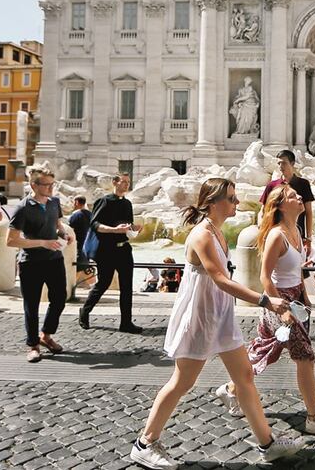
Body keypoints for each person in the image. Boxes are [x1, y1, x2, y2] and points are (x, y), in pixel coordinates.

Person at [128, 178, 304, 468]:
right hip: (199, 316)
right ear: (213, 202)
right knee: (182, 381)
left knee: (244, 376)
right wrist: (265, 300)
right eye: (232, 199)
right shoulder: (202, 235)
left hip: (220, 314)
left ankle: (267, 443)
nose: (236, 203)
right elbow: (220, 280)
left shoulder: (218, 232)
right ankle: (145, 443)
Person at [216, 185, 315, 436]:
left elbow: (296, 270)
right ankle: (314, 417)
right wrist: (281, 309)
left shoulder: (296, 230)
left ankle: (231, 390)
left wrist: (305, 296)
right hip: (279, 302)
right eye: (292, 196)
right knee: (305, 357)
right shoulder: (277, 235)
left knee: (267, 349)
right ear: (279, 205)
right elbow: (265, 278)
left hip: (296, 299)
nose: (299, 197)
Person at [7, 165, 68, 363]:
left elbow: (57, 225)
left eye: (53, 184)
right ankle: (32, 345)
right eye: (46, 185)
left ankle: (46, 335)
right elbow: (11, 240)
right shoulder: (23, 208)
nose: (51, 188)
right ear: (33, 185)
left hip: (54, 259)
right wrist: (42, 242)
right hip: (31, 262)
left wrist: (64, 234)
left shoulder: (54, 202)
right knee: (31, 305)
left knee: (59, 299)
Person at [79, 173, 143, 334]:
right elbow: (94, 224)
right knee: (103, 283)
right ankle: (85, 311)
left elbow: (128, 225)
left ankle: (126, 323)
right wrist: (114, 230)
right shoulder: (104, 201)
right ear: (115, 182)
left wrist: (134, 229)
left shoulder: (127, 203)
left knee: (127, 287)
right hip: (107, 251)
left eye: (129, 182)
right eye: (124, 182)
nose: (127, 185)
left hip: (124, 249)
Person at [259, 150, 315, 261]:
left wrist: (308, 239)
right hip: (276, 232)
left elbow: (308, 212)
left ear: (292, 163)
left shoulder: (303, 184)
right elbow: (263, 210)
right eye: (279, 163)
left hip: (298, 234)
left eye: (284, 163)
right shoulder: (272, 185)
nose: (280, 166)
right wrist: (261, 228)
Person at [67, 196, 91, 262]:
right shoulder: (91, 214)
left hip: (77, 247)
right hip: (88, 247)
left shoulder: (75, 215)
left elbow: (69, 230)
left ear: (77, 202)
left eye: (73, 202)